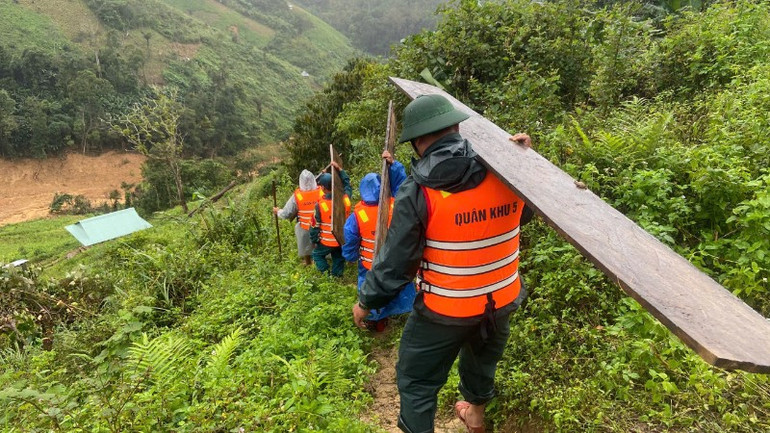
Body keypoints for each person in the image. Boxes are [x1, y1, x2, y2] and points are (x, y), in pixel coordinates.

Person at [351, 94, 533, 433]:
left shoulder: (417, 190)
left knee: (417, 379)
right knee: (482, 360)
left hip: (445, 310)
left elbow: (396, 264)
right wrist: (524, 158)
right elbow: (532, 211)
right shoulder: (507, 170)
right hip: (500, 300)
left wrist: (367, 301)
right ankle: (475, 417)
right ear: (457, 127)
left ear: (419, 142)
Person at [342, 151, 415, 331]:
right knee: (398, 286)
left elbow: (350, 240)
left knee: (373, 291)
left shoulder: (357, 216)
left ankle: (377, 321)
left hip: (370, 265)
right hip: (397, 262)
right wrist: (394, 165)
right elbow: (403, 185)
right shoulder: (395, 203)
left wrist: (350, 256)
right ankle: (402, 312)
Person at [309, 161, 352, 277]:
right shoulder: (345, 199)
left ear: (322, 188)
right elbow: (347, 185)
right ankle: (337, 276)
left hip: (327, 241)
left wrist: (315, 240)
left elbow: (314, 226)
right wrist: (340, 170)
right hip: (341, 239)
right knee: (338, 257)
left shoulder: (319, 205)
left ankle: (326, 274)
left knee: (317, 255)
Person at [273, 169, 323, 266]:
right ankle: (321, 261)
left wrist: (278, 211)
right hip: (321, 226)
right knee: (321, 243)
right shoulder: (321, 192)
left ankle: (308, 262)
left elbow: (287, 213)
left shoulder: (297, 196)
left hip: (305, 226)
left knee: (303, 239)